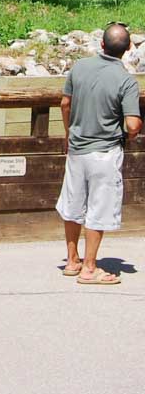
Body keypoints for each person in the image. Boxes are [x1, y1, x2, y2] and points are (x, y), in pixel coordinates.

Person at [55, 21, 141, 285]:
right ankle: (90, 268)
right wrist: (132, 132)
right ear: (127, 50)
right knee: (99, 209)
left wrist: (69, 134)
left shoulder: (79, 67)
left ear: (101, 44)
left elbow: (65, 103)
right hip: (105, 152)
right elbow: (132, 124)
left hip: (77, 149)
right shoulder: (126, 81)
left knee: (73, 204)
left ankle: (72, 260)